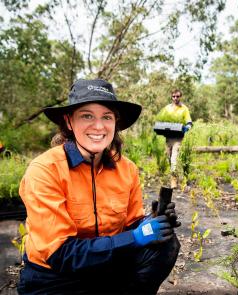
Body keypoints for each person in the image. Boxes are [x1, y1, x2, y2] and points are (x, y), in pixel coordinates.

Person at [18, 79, 181, 294]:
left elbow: (130, 225)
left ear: (115, 123)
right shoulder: (45, 170)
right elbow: (60, 255)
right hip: (53, 276)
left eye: (107, 117)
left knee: (166, 244)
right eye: (87, 116)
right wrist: (136, 237)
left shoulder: (127, 169)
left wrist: (151, 221)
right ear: (69, 121)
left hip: (107, 266)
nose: (98, 126)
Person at [156, 89, 192, 189]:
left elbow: (189, 122)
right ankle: (176, 176)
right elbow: (160, 118)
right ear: (171, 97)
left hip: (178, 137)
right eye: (173, 96)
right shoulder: (167, 108)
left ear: (180, 97)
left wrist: (186, 128)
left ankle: (173, 182)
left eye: (177, 96)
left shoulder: (184, 108)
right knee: (169, 158)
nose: (175, 98)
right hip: (168, 137)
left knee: (174, 159)